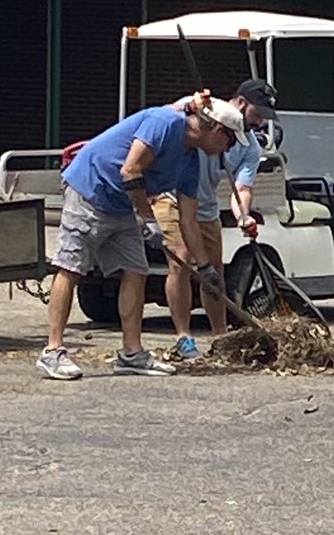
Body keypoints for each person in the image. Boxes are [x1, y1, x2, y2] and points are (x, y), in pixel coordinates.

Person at [36, 96, 248, 380]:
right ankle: (53, 351)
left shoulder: (189, 161)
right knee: (72, 267)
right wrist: (148, 218)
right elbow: (130, 169)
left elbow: (188, 218)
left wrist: (205, 266)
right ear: (218, 131)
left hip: (123, 204)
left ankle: (131, 354)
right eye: (231, 143)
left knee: (137, 270)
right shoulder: (164, 123)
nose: (228, 151)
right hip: (91, 188)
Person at [155, 78, 278, 360]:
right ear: (242, 103)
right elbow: (164, 117)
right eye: (257, 114)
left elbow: (241, 188)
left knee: (213, 274)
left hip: (205, 207)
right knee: (183, 261)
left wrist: (243, 216)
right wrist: (191, 105)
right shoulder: (206, 110)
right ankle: (184, 338)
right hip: (171, 197)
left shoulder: (249, 147)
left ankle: (221, 338)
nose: (259, 122)